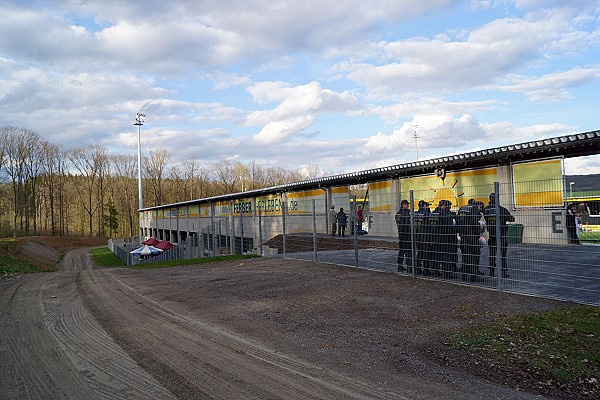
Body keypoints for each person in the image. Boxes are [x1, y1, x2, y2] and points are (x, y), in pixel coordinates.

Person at [483, 193, 515, 278]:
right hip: (501, 235)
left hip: (492, 235)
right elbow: (512, 219)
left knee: (492, 254)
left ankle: (491, 272)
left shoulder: (486, 209)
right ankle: (503, 272)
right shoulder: (501, 209)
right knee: (502, 255)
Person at [457, 199, 483, 281]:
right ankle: (473, 275)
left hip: (463, 236)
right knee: (475, 255)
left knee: (465, 255)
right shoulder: (474, 209)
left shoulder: (462, 208)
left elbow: (458, 221)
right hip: (472, 236)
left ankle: (464, 274)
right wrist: (479, 229)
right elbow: (475, 222)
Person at [413, 200, 431, 275]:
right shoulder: (426, 214)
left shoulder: (416, 214)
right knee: (426, 254)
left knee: (419, 253)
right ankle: (426, 270)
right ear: (424, 206)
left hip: (417, 236)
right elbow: (429, 226)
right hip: (425, 236)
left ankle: (417, 269)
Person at [395, 199, 412, 272]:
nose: (408, 206)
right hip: (407, 234)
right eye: (407, 204)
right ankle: (409, 266)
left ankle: (400, 265)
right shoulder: (408, 213)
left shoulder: (398, 213)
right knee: (408, 251)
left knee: (402, 250)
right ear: (404, 205)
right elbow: (408, 224)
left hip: (401, 234)